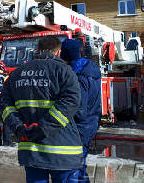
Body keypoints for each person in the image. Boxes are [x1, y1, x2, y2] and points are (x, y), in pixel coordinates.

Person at [0, 36, 83, 183]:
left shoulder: (16, 73)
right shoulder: (64, 70)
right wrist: (43, 128)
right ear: (58, 52)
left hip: (31, 150)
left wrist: (18, 127)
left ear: (36, 50)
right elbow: (71, 101)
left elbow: (4, 104)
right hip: (63, 151)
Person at [61, 39, 101, 183]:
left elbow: (79, 110)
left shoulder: (78, 76)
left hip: (80, 128)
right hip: (90, 123)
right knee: (80, 167)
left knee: (72, 171)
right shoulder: (90, 68)